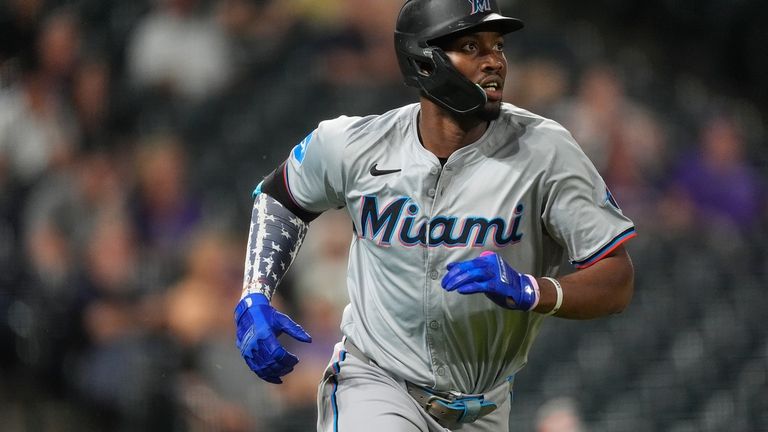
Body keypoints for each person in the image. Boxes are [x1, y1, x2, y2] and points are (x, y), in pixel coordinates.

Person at [233, 1, 636, 431]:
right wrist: (255, 291)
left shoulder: (546, 152)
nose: (494, 61)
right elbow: (280, 196)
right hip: (376, 384)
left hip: (485, 406)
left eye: (497, 46)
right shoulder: (355, 144)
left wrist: (534, 289)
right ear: (424, 61)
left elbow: (617, 279)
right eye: (471, 46)